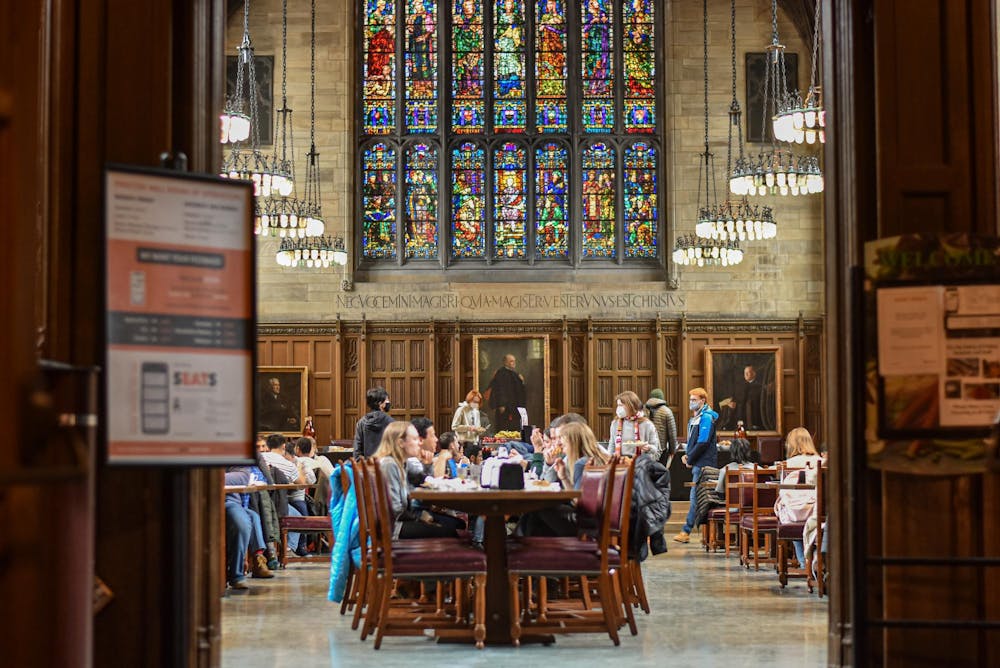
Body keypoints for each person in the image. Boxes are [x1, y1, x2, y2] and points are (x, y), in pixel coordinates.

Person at [517, 421, 610, 537]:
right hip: (592, 521)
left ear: (574, 444)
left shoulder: (582, 463)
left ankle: (518, 544)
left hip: (584, 524)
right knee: (535, 514)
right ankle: (521, 542)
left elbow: (578, 501)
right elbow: (577, 496)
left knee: (536, 508)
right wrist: (564, 477)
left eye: (564, 445)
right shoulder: (594, 459)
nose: (563, 450)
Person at [374, 422, 459, 539]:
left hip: (400, 521)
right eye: (414, 439)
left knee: (450, 529)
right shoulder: (389, 465)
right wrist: (419, 518)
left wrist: (428, 465)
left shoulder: (402, 462)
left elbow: (421, 478)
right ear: (400, 442)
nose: (419, 442)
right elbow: (395, 509)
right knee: (449, 532)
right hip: (394, 528)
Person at [673, 387, 719, 543]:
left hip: (704, 463)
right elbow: (693, 440)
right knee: (700, 498)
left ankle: (686, 531)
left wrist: (690, 458)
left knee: (696, 498)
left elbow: (703, 442)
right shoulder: (696, 418)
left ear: (702, 401)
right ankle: (705, 534)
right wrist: (687, 455)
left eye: (694, 400)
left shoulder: (706, 417)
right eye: (690, 399)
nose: (691, 402)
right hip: (697, 461)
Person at [609, 390, 661, 459]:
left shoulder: (647, 424)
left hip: (640, 464)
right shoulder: (615, 423)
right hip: (620, 463)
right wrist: (609, 460)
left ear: (630, 406)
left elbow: (656, 450)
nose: (618, 408)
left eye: (621, 405)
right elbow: (612, 445)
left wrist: (648, 448)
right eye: (618, 405)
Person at [485, 353, 526, 432]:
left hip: (514, 406)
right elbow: (498, 389)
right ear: (506, 362)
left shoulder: (515, 374)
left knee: (514, 427)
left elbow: (519, 390)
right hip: (505, 407)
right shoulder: (501, 373)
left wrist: (522, 381)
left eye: (514, 361)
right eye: (511, 361)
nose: (514, 363)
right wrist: (501, 404)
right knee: (503, 427)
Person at [352, 386, 394, 458]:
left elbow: (357, 451)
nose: (388, 402)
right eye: (387, 400)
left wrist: (364, 466)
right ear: (381, 404)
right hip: (386, 466)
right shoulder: (392, 423)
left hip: (367, 466)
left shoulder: (361, 422)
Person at [645, 388, 678, 467]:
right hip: (661, 450)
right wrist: (672, 451)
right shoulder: (666, 411)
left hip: (646, 449)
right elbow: (672, 434)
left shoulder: (644, 410)